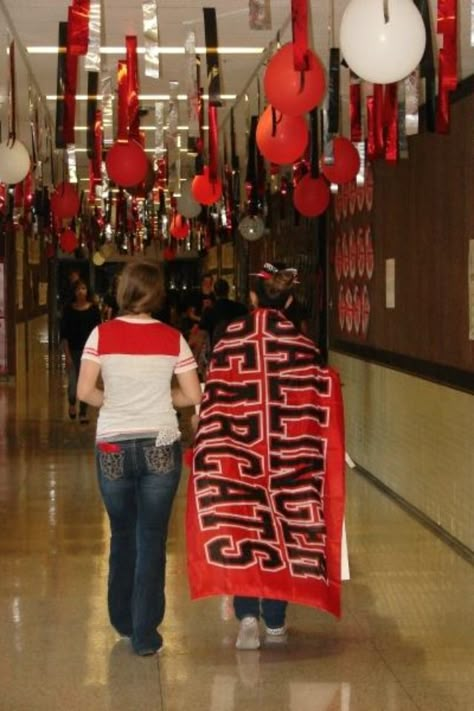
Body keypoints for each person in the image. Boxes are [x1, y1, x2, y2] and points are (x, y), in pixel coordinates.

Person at [186, 262, 345, 651]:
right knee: (283, 530)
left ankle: (247, 620)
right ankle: (275, 621)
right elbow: (319, 395)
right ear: (289, 299)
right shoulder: (304, 347)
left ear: (252, 297)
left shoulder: (229, 339)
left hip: (236, 452)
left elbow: (214, 397)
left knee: (245, 524)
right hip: (290, 457)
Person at [77, 260, 202, 656]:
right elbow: (194, 396)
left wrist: (113, 403)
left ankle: (122, 619)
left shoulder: (101, 334)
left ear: (123, 291)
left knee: (123, 533)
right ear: (156, 295)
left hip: (113, 444)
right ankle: (146, 634)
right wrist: (162, 400)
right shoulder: (173, 338)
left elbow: (83, 391)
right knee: (152, 537)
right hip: (161, 443)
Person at [60, 279, 101, 423]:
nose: (81, 291)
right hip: (73, 351)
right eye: (78, 289)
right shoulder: (68, 310)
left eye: (83, 288)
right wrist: (67, 355)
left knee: (86, 382)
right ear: (74, 292)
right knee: (72, 383)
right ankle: (72, 403)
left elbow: (98, 332)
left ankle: (83, 412)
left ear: (87, 291)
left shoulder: (94, 310)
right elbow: (64, 335)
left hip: (89, 353)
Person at [199, 278, 248, 349]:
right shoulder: (240, 308)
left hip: (217, 348)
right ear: (228, 290)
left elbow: (202, 328)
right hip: (236, 347)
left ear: (214, 292)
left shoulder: (209, 310)